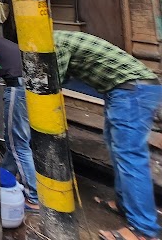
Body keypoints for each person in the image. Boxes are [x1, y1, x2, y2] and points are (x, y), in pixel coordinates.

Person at [53, 30, 162, 240]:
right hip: (128, 90)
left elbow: (53, 82)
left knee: (130, 158)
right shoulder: (61, 37)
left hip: (132, 91)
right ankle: (125, 205)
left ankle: (143, 230)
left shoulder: (55, 44)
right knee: (118, 151)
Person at [0, 35, 39, 213]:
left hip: (18, 86)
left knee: (18, 143)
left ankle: (34, 197)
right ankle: (6, 175)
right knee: (13, 138)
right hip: (32, 82)